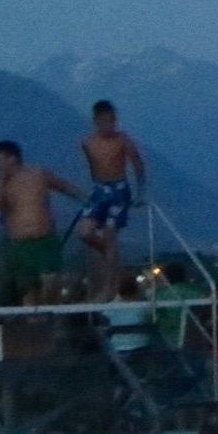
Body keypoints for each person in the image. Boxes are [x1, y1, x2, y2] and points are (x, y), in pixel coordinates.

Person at [0, 140, 81, 304]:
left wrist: (85, 198)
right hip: (20, 244)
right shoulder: (1, 183)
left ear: (12, 159)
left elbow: (64, 186)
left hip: (45, 239)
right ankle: (32, 320)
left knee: (51, 282)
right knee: (29, 289)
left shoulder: (37, 174)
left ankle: (48, 313)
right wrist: (0, 181)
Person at [74, 100, 148, 301]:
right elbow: (91, 168)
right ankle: (111, 256)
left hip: (119, 189)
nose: (110, 125)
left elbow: (138, 164)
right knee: (84, 231)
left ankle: (109, 287)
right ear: (96, 121)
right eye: (105, 121)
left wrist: (140, 193)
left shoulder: (123, 140)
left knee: (109, 233)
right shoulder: (87, 143)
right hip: (99, 189)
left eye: (112, 121)